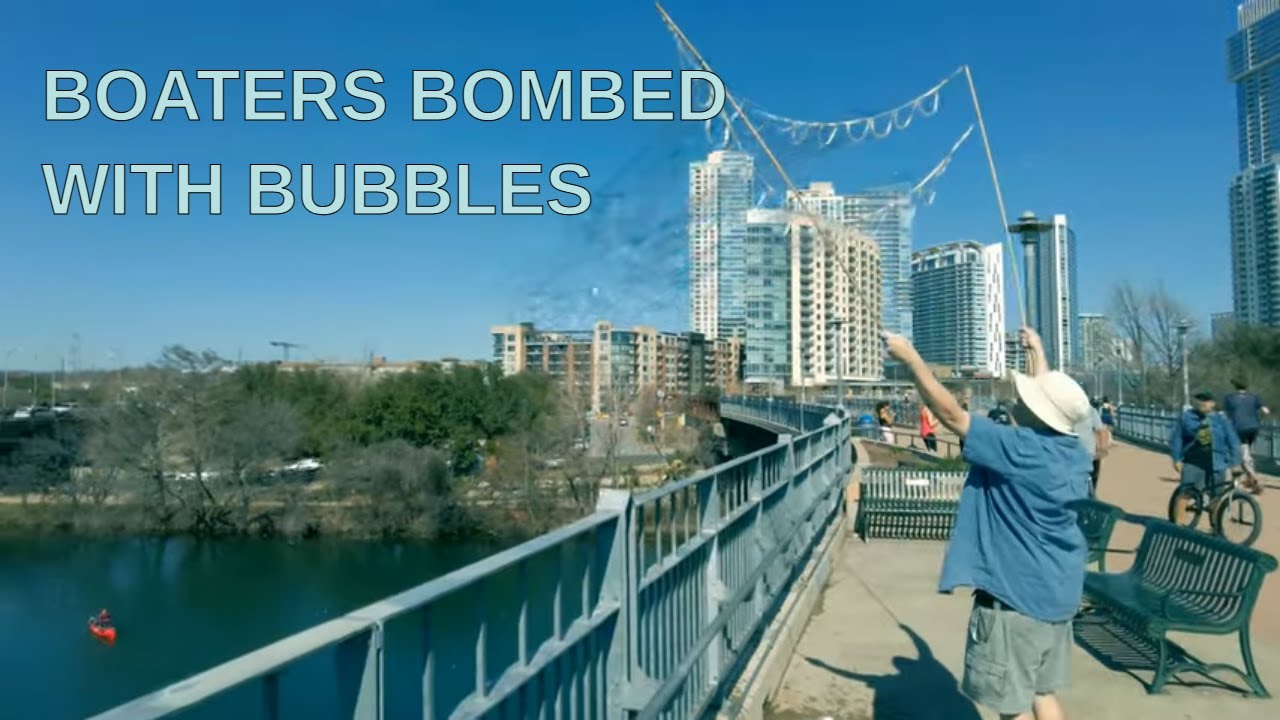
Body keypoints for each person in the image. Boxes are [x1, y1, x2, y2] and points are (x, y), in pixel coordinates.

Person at [882, 325, 1091, 720]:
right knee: (1042, 692)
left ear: (1038, 412)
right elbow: (1052, 406)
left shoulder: (1019, 449)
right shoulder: (1074, 452)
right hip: (1058, 594)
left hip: (1016, 601)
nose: (1020, 398)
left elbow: (951, 415)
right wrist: (1038, 352)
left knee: (1012, 708)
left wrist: (911, 360)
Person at [1170, 391, 1242, 515]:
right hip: (1194, 461)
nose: (1203, 403)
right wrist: (1176, 459)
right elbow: (1176, 439)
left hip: (1217, 463)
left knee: (1217, 496)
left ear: (1213, 403)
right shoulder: (1186, 418)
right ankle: (1178, 524)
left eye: (1206, 400)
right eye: (1200, 399)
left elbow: (1234, 442)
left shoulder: (1222, 420)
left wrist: (1236, 463)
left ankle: (1216, 524)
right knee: (1185, 493)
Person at [1223, 379, 1269, 494]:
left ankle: (1254, 479)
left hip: (1238, 428)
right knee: (1247, 452)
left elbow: (1225, 414)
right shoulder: (1254, 397)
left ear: (1235, 386)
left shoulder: (1230, 398)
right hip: (1253, 428)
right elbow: (1265, 411)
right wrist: (1258, 420)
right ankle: (1250, 480)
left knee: (1241, 454)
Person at [1078, 398, 1111, 495]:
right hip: (1089, 452)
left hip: (1070, 451)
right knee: (1092, 478)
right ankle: (1091, 495)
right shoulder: (1091, 411)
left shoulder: (1063, 410)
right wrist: (1103, 449)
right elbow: (1101, 431)